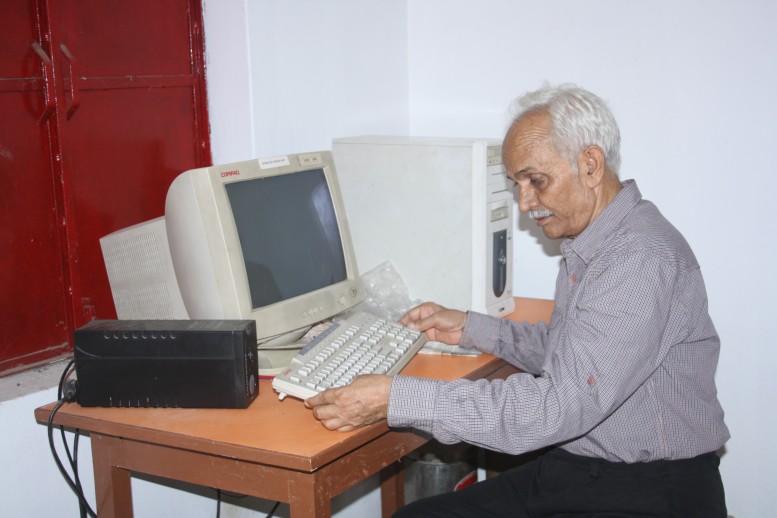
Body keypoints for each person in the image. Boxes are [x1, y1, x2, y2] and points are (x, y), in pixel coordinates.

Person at [306, 84, 729, 516]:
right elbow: (575, 355)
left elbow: (557, 407)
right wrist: (473, 328)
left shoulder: (637, 259)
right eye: (517, 184)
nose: (525, 202)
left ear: (590, 164)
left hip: (650, 490)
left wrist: (397, 398)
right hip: (586, 469)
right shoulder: (600, 242)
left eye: (536, 181)